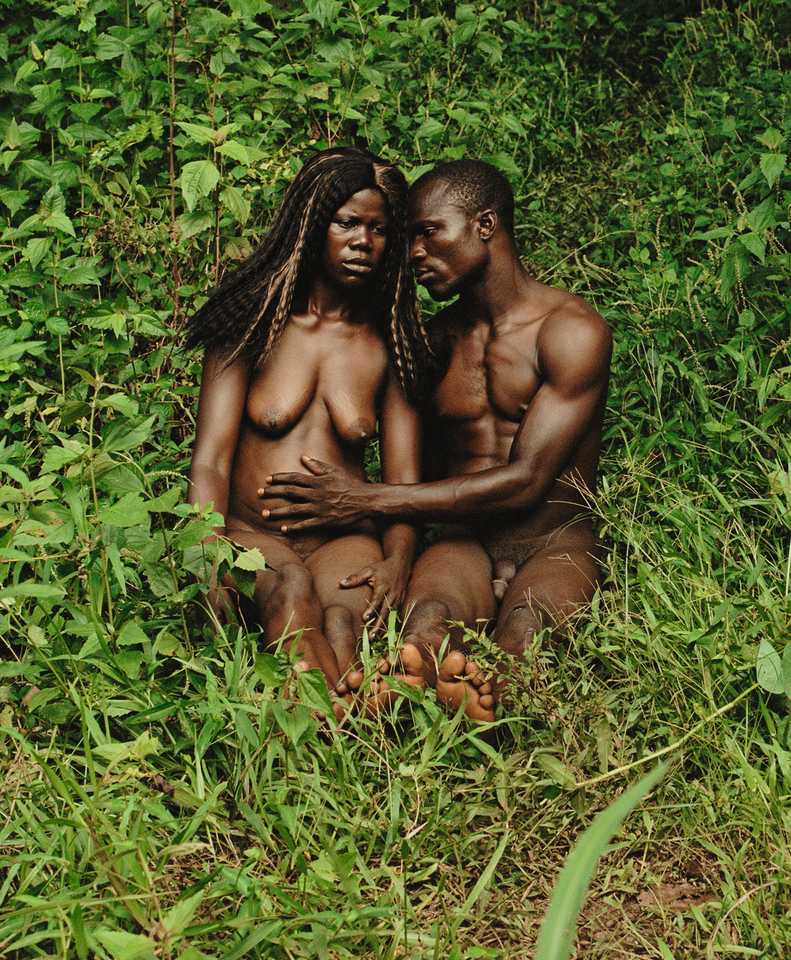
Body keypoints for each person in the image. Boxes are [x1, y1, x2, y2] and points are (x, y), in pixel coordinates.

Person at [255, 159, 612, 721]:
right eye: (409, 240)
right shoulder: (432, 342)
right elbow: (410, 462)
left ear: (484, 226)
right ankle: (409, 683)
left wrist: (366, 499)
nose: (413, 253)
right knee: (426, 621)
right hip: (462, 540)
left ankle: (486, 700)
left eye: (429, 233)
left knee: (526, 630)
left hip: (550, 540)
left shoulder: (571, 331)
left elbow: (526, 481)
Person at [184, 147, 431, 711]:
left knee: (343, 620)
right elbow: (211, 459)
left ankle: (340, 723)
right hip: (253, 534)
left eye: (379, 230)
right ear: (312, 223)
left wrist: (397, 560)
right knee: (291, 592)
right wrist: (205, 550)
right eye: (347, 222)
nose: (363, 241)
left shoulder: (390, 342)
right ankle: (330, 720)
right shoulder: (253, 321)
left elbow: (404, 481)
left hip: (344, 541)